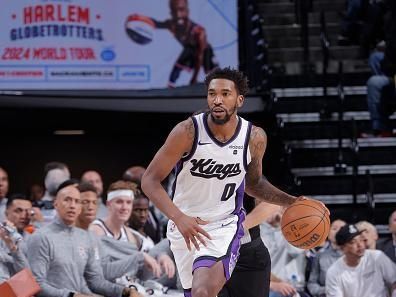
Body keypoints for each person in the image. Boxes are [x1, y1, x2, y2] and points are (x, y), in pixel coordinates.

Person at [141, 67, 328, 297]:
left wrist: (291, 201)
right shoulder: (187, 131)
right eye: (212, 94)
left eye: (225, 94)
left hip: (224, 226)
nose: (217, 100)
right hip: (184, 226)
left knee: (203, 292)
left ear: (239, 99)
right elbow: (149, 180)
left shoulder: (254, 137)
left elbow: (254, 184)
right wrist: (179, 217)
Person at [27, 179, 139, 297]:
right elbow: (36, 284)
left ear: (80, 207)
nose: (72, 206)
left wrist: (124, 291)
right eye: (67, 200)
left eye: (77, 201)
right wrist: (71, 295)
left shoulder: (87, 238)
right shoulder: (41, 237)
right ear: (56, 204)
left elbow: (96, 282)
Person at [128, 0, 218, 87]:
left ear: (187, 11)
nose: (178, 14)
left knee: (214, 74)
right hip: (189, 48)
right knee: (175, 71)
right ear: (171, 12)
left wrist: (194, 78)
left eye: (181, 10)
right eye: (174, 11)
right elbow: (155, 24)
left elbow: (199, 56)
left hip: (204, 51)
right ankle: (170, 91)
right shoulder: (172, 25)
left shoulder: (199, 32)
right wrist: (140, 18)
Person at [326, 224, 396, 297]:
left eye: (361, 239)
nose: (360, 245)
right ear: (342, 248)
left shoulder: (377, 257)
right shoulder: (334, 272)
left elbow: (394, 280)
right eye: (353, 242)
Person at [307, 219, 346, 297]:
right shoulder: (320, 255)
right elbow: (312, 283)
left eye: (342, 229)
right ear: (328, 234)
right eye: (334, 228)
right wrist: (325, 290)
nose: (338, 231)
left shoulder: (354, 254)